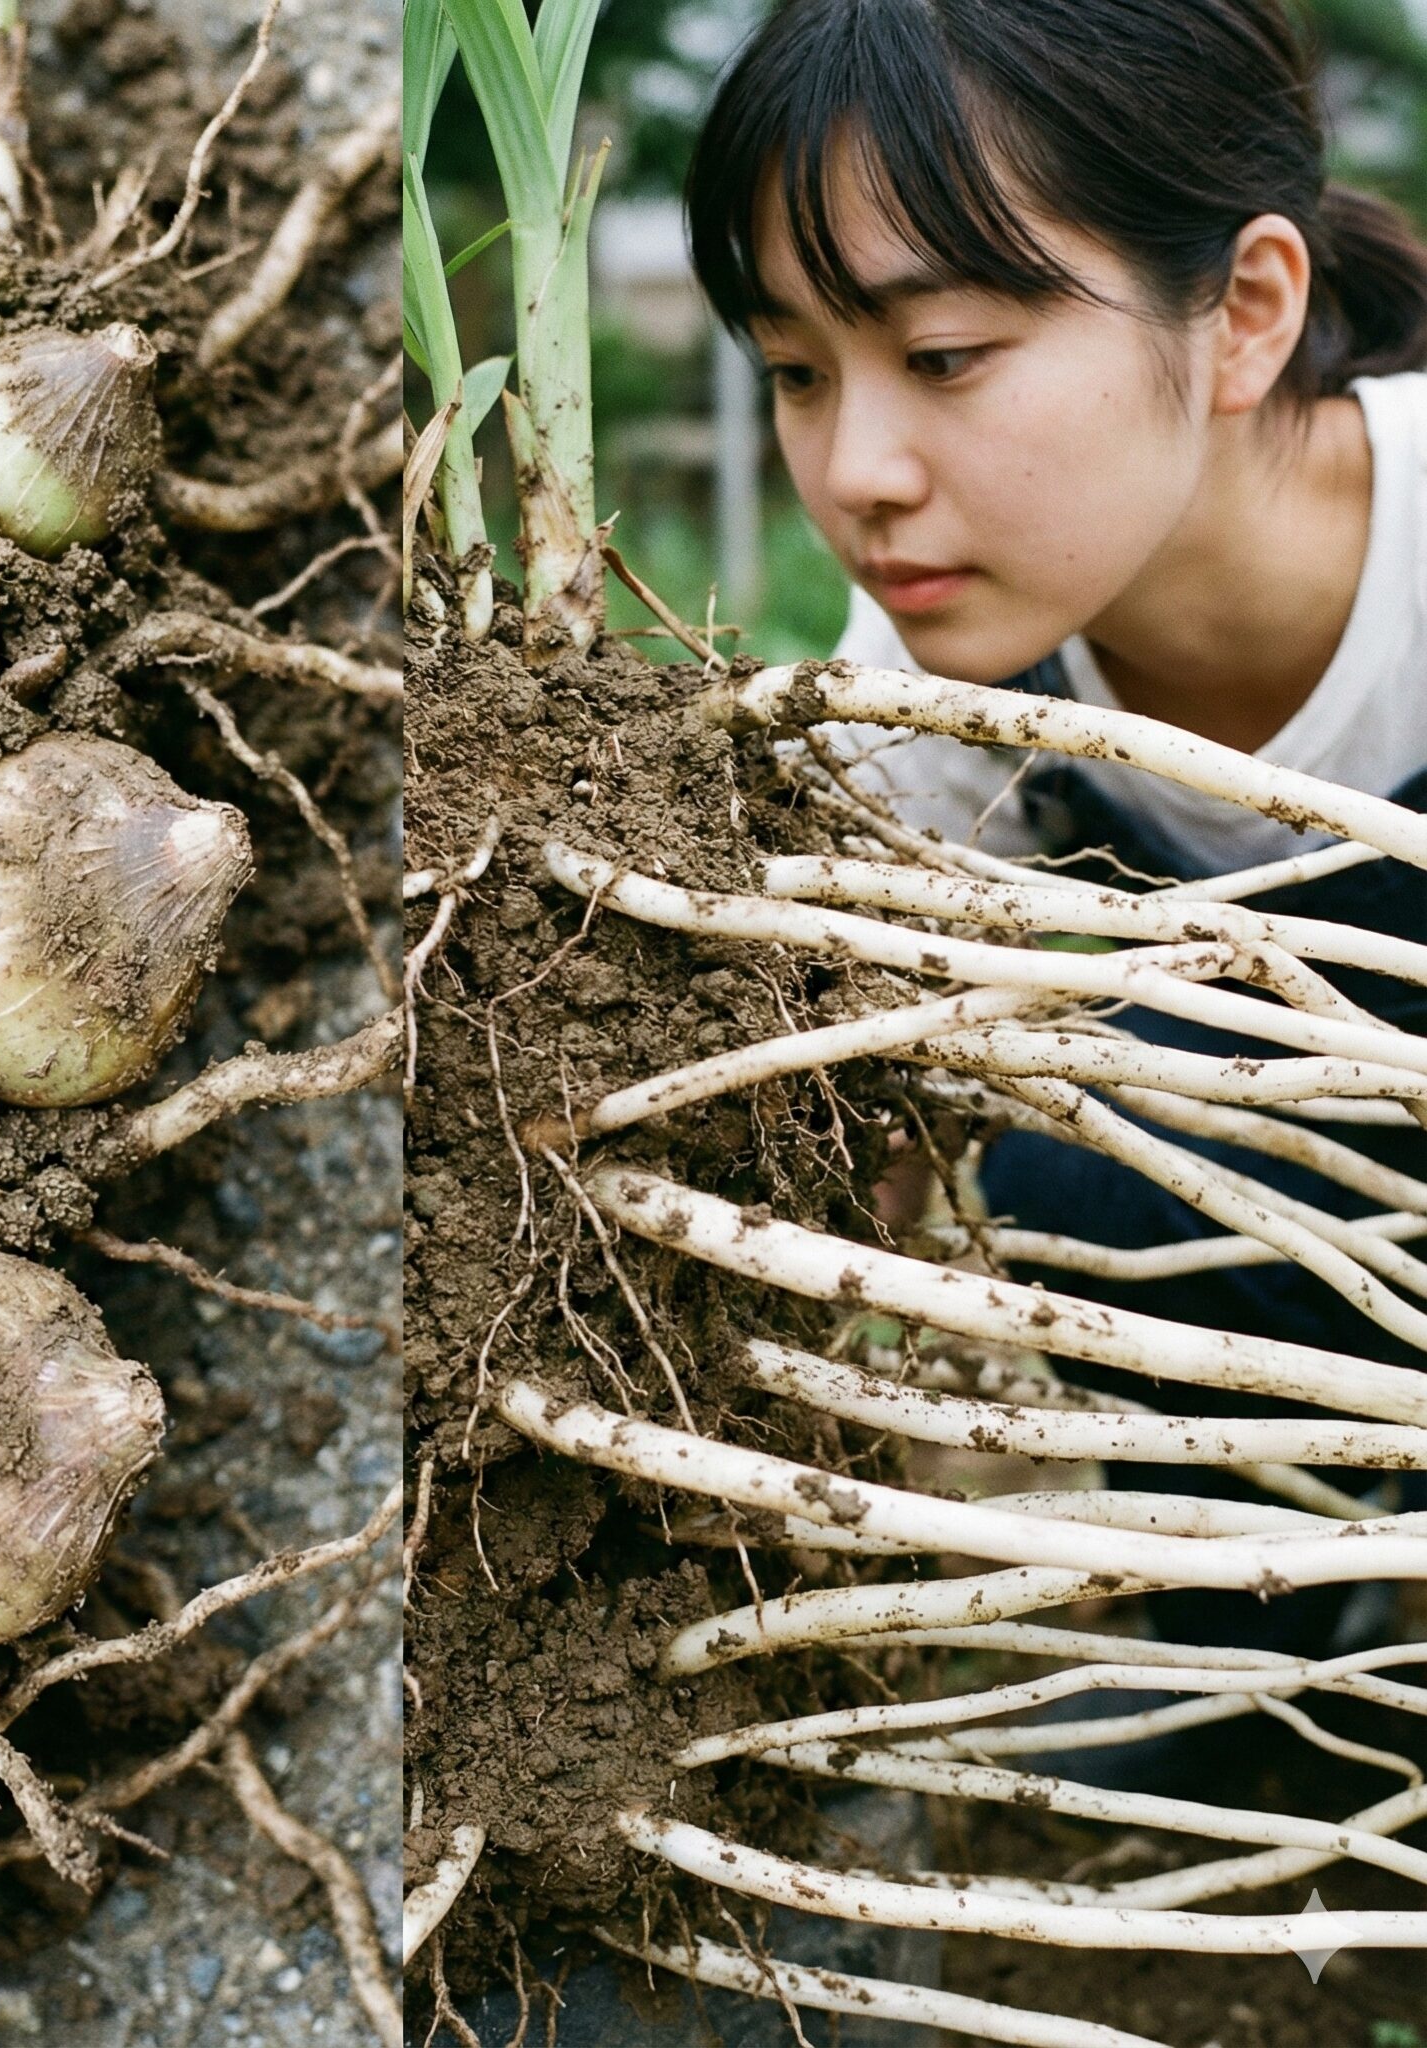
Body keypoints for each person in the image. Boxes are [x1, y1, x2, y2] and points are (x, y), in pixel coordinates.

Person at [683, 0, 1427, 1673]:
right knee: (1070, 1158)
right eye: (796, 374)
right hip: (1338, 1315)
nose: (856, 470)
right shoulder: (936, 689)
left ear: (1243, 316)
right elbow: (816, 1102)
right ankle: (1278, 1629)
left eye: (943, 357)